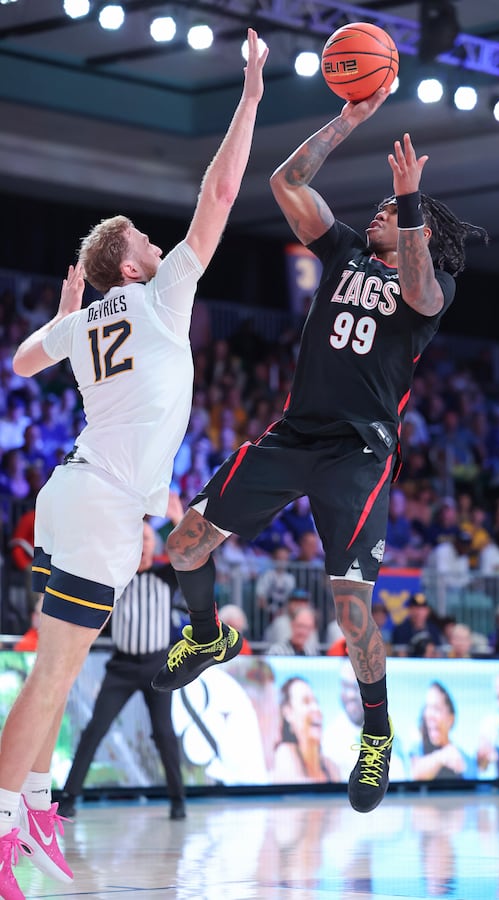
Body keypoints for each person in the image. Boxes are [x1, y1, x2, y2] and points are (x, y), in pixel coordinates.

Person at [151, 88, 487, 817]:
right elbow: (286, 184)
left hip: (358, 455)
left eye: (389, 216)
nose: (376, 214)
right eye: (381, 210)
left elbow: (424, 292)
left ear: (417, 231)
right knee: (183, 546)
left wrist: (411, 204)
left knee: (351, 607)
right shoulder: (339, 252)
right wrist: (349, 120)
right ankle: (206, 636)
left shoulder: (432, 284)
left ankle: (377, 734)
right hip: (295, 435)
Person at [0, 30, 268, 897]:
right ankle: (3, 829)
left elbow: (21, 365)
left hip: (94, 502)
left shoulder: (86, 322)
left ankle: (36, 811)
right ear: (131, 263)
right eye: (149, 241)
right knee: (49, 679)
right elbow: (222, 189)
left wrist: (68, 309)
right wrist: (253, 93)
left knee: (64, 670)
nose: (163, 245)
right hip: (99, 502)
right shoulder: (159, 299)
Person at [57, 522, 186, 822]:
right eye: (137, 538)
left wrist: (179, 521)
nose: (143, 544)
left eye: (148, 538)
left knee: (164, 734)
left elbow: (192, 553)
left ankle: (178, 800)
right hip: (122, 666)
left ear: (155, 546)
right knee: (95, 729)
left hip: (157, 666)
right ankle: (69, 797)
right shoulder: (116, 576)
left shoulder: (166, 576)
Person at [271, 677, 340, 784]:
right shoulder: (284, 753)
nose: (316, 709)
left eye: (316, 702)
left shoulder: (331, 766)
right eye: (306, 702)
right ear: (288, 712)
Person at [410, 681, 476, 782]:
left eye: (436, 709)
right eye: (428, 708)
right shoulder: (417, 749)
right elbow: (415, 774)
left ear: (451, 719)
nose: (430, 716)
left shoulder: (465, 759)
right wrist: (441, 757)